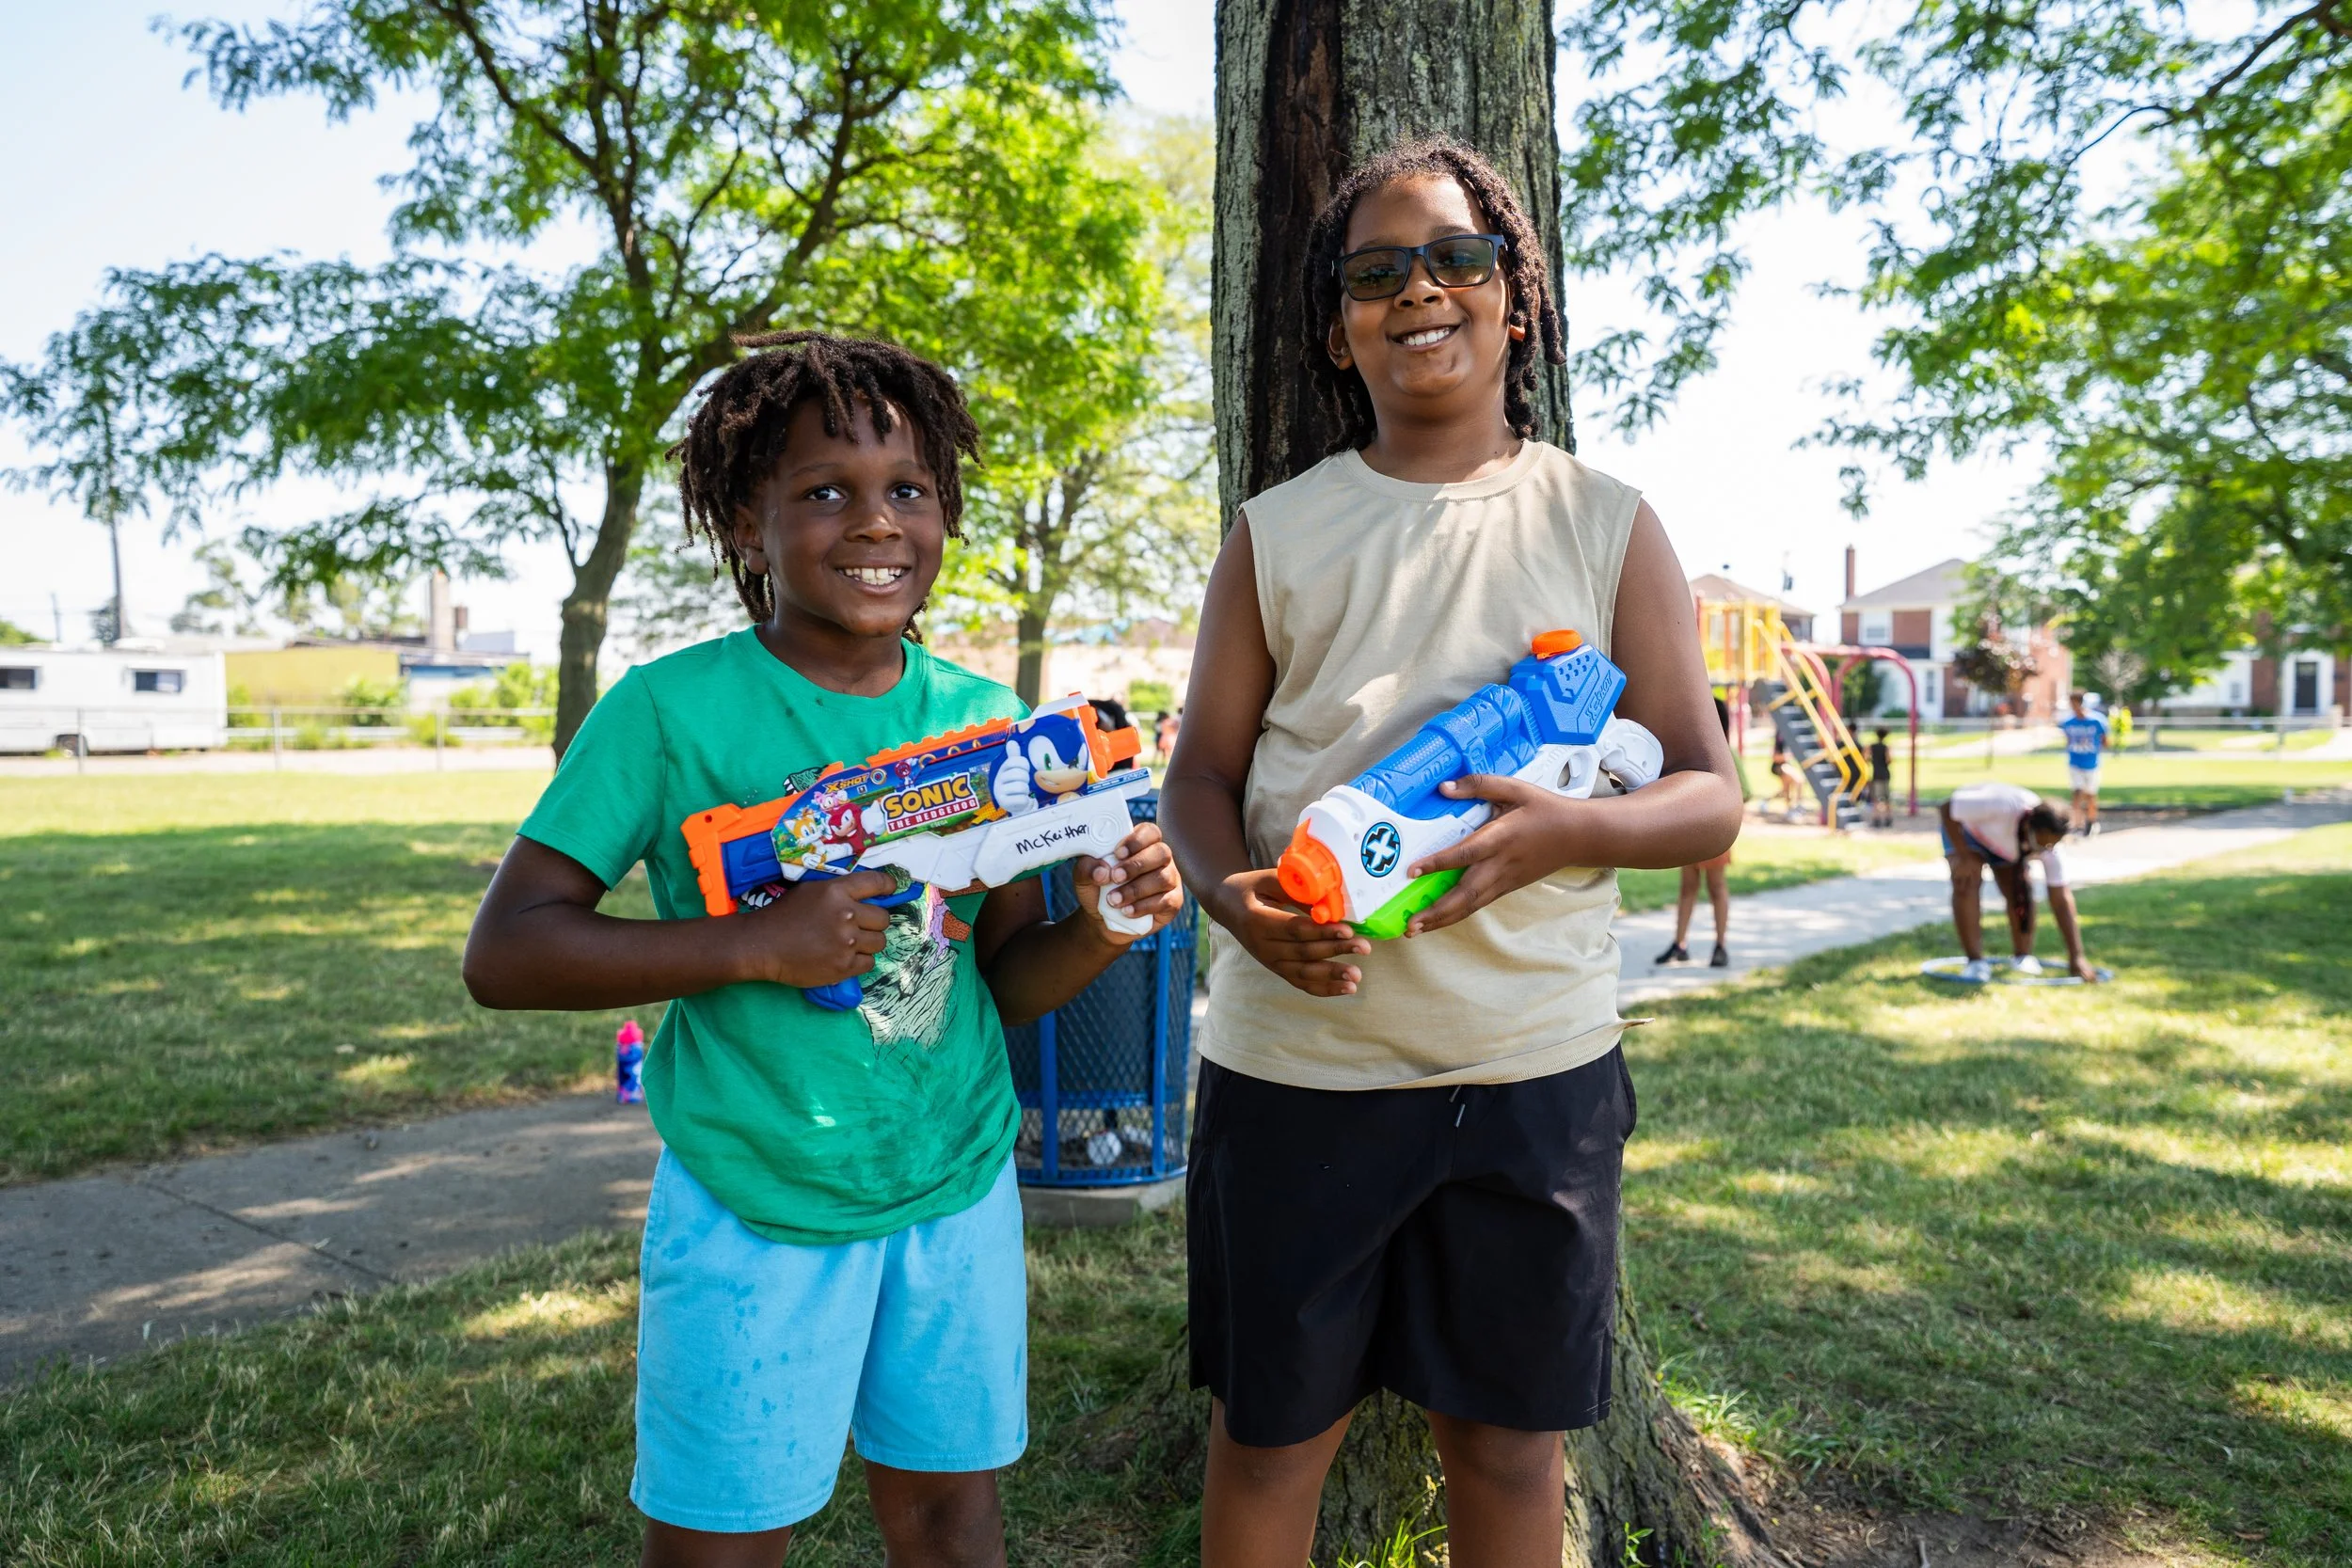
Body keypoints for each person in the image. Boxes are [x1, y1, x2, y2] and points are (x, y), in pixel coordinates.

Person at [461, 332, 1185, 1568]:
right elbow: (508, 951)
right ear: (749, 525)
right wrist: (752, 944)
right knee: (724, 1541)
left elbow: (1005, 979)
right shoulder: (666, 707)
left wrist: (1108, 923)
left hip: (954, 1185)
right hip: (756, 1199)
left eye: (908, 488)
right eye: (825, 489)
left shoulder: (982, 722)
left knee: (954, 1520)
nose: (875, 521)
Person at [1159, 138, 1742, 1568]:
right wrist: (1239, 906)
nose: (1418, 290)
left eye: (1455, 259)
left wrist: (1569, 831)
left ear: (1516, 298)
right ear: (1337, 320)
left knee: (1506, 1443)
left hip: (1532, 1068)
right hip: (1300, 1064)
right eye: (1376, 272)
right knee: (1269, 1434)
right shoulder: (1277, 531)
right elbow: (1200, 777)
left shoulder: (1604, 521)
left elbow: (1708, 794)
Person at [1939, 779, 2096, 983]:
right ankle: (1975, 962)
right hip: (1968, 832)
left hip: (2006, 847)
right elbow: (1947, 808)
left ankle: (2023, 956)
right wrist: (1963, 854)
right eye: (2043, 842)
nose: (2045, 849)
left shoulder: (2051, 845)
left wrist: (2077, 956)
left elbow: (2061, 899)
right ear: (2031, 827)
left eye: (2050, 845)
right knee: (1967, 879)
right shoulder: (2002, 805)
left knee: (2021, 887)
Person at [1658, 696, 1738, 967]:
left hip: (1715, 833)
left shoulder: (1727, 755)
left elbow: (1744, 792)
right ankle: (1680, 944)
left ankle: (1720, 945)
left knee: (1716, 888)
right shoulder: (1694, 754)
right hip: (1691, 832)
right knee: (1687, 888)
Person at [2058, 690, 2109, 835]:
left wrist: (2091, 747)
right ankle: (2076, 823)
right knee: (2077, 793)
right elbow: (2067, 741)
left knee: (2091, 795)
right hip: (2075, 762)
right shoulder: (2068, 722)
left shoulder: (2097, 721)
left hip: (2092, 763)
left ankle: (2091, 821)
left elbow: (2105, 741)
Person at [1867, 726, 1895, 829]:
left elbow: (1866, 757)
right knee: (1887, 798)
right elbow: (1889, 760)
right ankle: (1888, 818)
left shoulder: (1871, 747)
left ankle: (1876, 818)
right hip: (1885, 774)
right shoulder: (1886, 747)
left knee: (1876, 799)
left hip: (1876, 775)